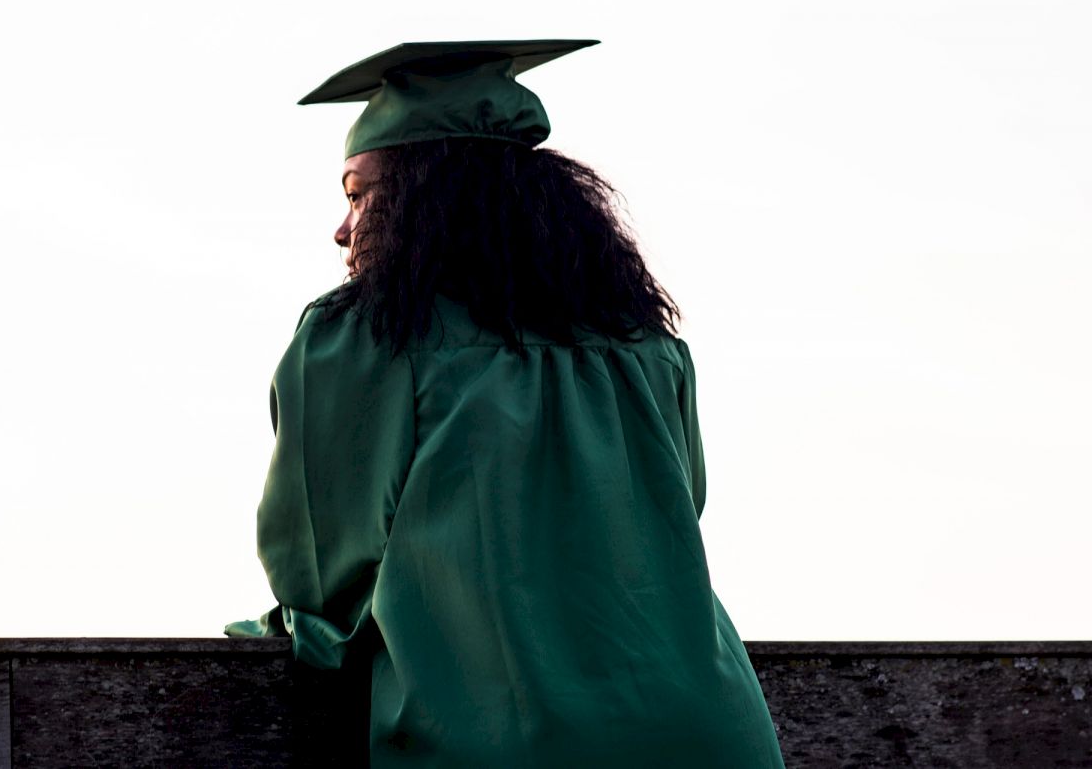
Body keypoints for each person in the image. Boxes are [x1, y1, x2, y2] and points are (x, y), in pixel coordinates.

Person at [226, 40, 786, 768]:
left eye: (358, 195)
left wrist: (286, 629)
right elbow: (674, 520)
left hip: (499, 741)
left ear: (420, 204)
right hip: (712, 736)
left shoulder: (362, 340)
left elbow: (321, 575)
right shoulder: (646, 344)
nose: (341, 228)